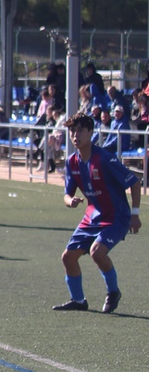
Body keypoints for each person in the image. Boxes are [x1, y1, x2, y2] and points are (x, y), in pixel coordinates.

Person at [53, 113, 141, 313]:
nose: (75, 135)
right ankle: (78, 301)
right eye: (72, 131)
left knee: (97, 252)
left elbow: (134, 182)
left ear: (91, 133)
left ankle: (113, 292)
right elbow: (67, 194)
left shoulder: (104, 159)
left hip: (116, 217)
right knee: (68, 257)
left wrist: (135, 214)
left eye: (80, 130)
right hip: (92, 216)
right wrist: (70, 201)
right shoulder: (72, 162)